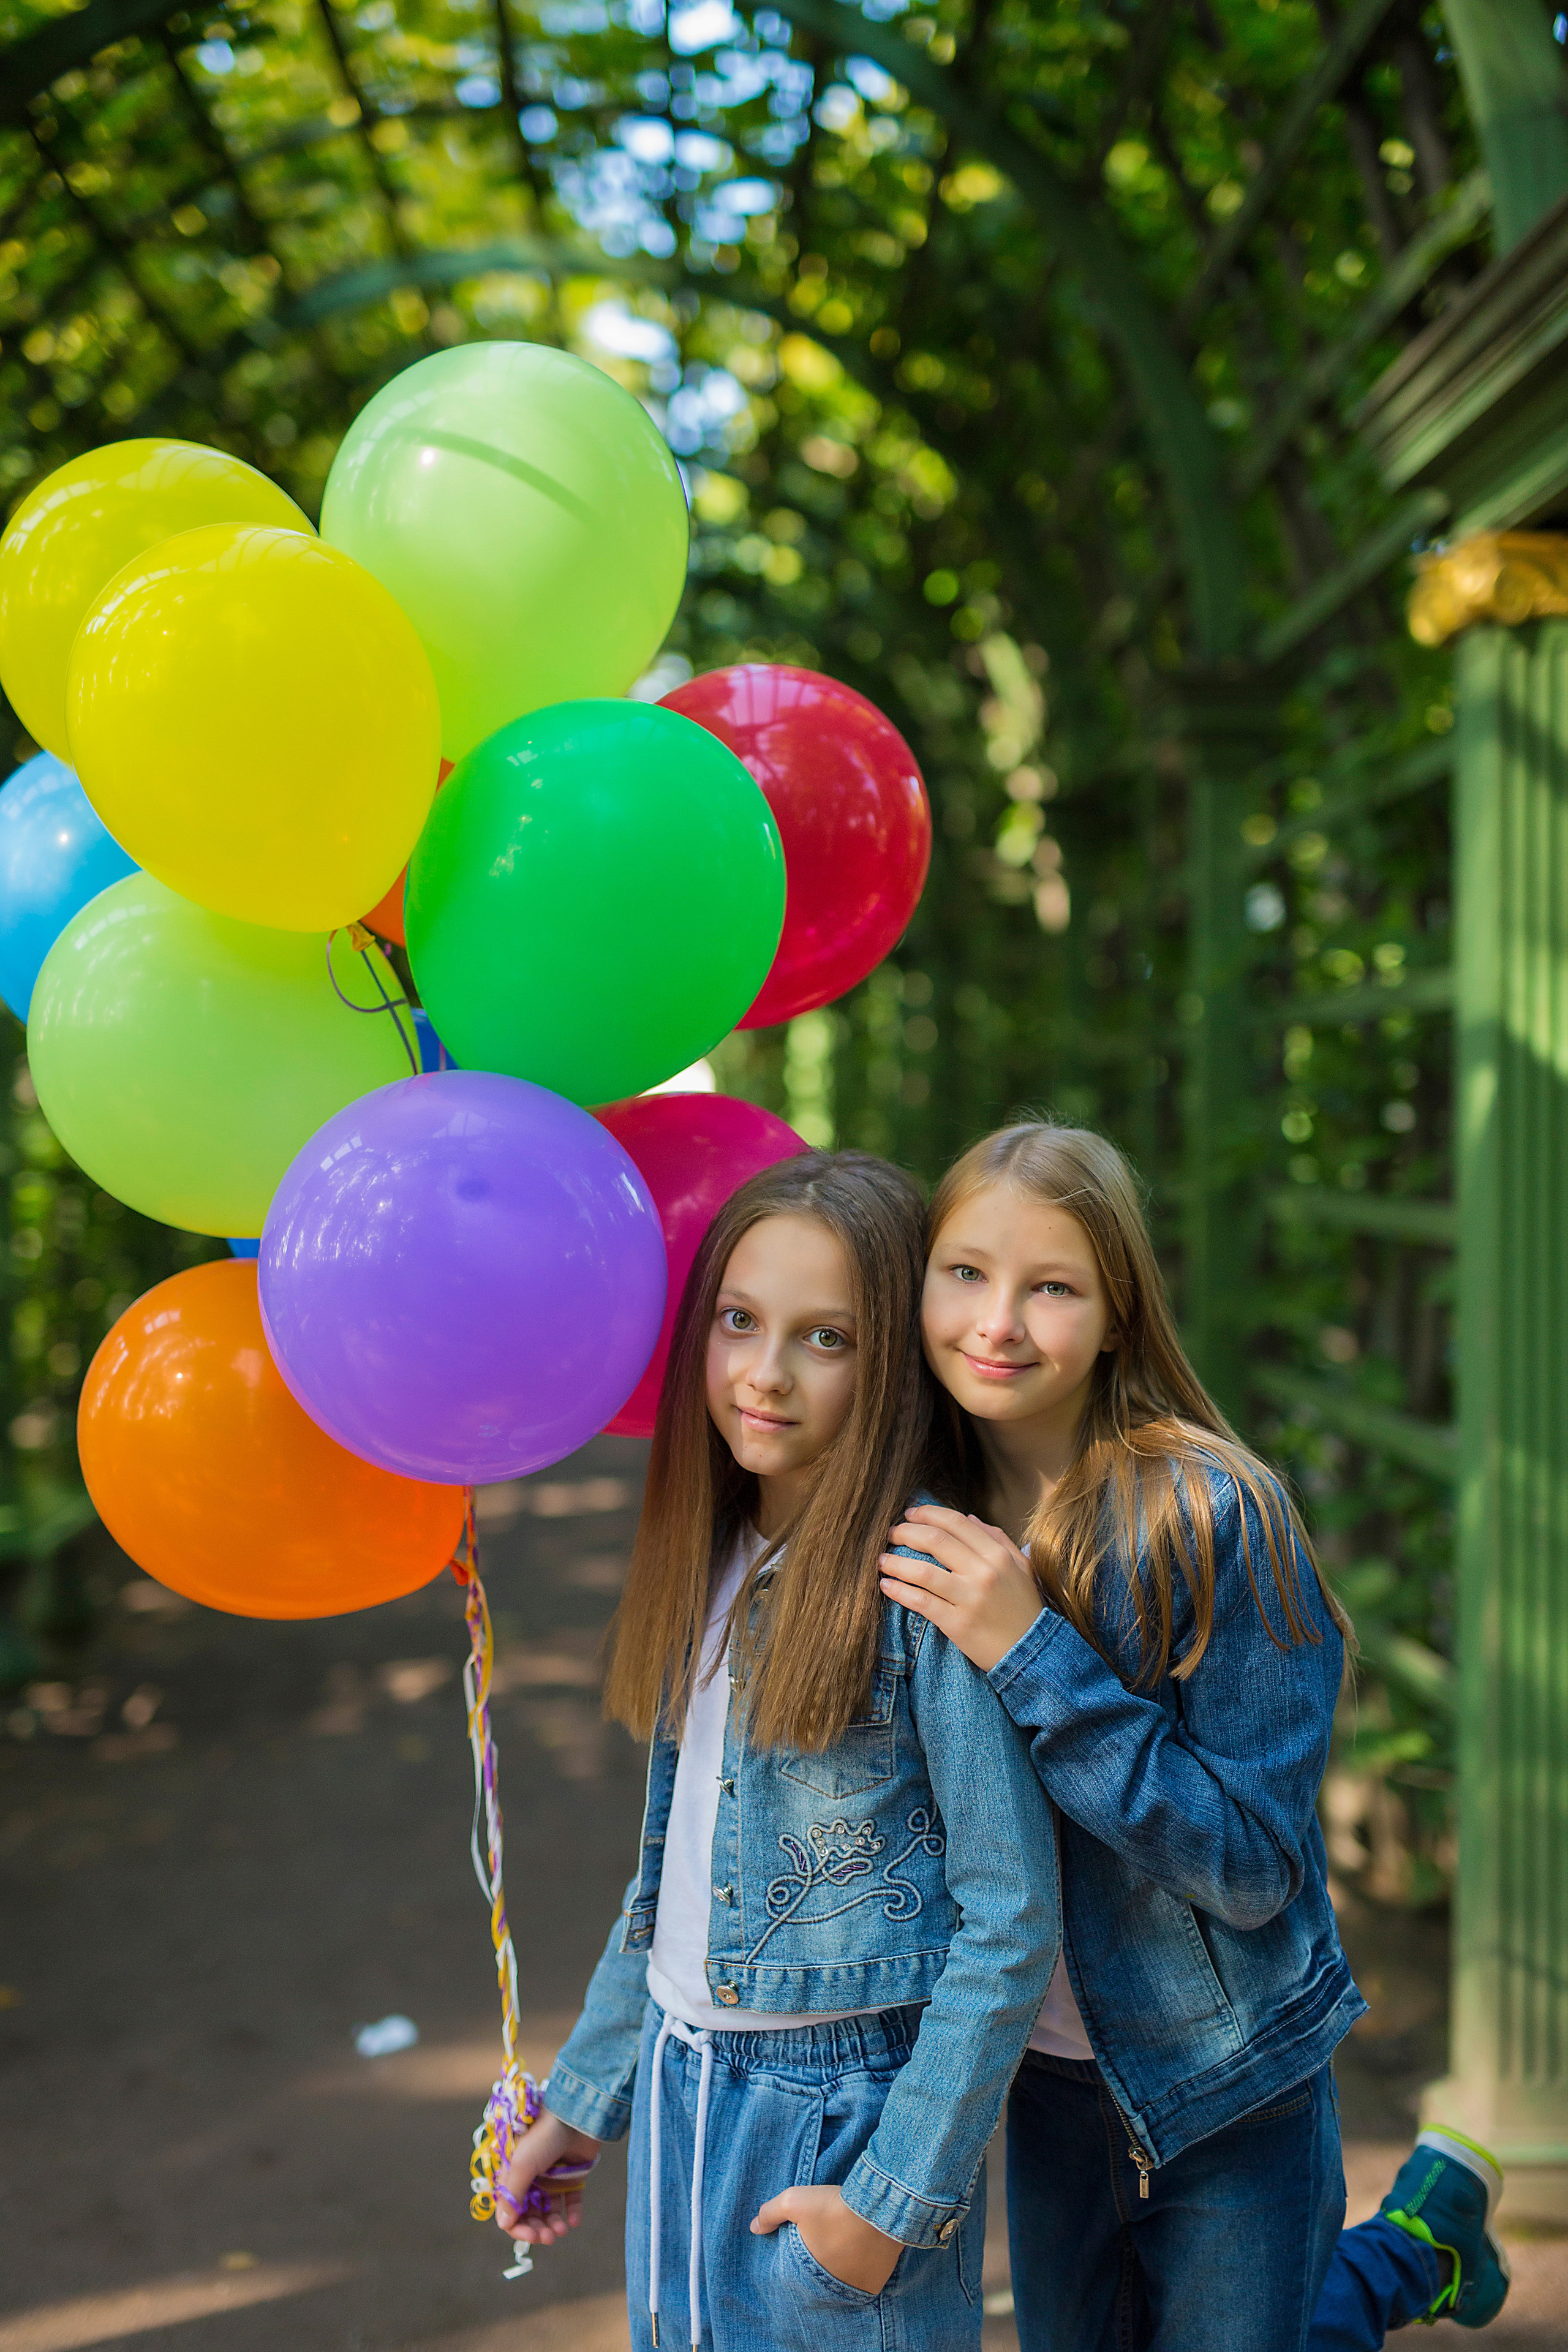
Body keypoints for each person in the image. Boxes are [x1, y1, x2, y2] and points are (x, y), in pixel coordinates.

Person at [878, 1121, 1509, 2350]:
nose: (996, 1322)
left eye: (1049, 1286)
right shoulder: (911, 1509)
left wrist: (1028, 1652)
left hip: (1233, 2083)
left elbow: (1253, 1866)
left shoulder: (1213, 1514)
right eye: (964, 1272)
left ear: (1116, 1314)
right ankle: (1409, 2252)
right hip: (1047, 2092)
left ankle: (1399, 2252)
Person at [493, 1150, 1061, 2351]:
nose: (762, 1373)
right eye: (740, 1321)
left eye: (825, 1339)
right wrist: (586, 2098)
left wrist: (889, 2206)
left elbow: (1008, 1913)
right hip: (683, 2092)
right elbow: (673, 1881)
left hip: (835, 2121)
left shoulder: (921, 1587)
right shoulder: (712, 1552)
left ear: (893, 1365)